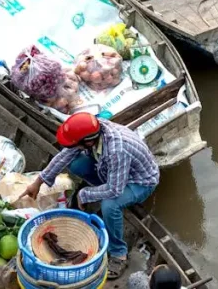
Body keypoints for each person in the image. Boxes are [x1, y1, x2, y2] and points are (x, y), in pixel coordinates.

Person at [21, 113, 160, 280]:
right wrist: (39, 181)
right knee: (76, 163)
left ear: (88, 142)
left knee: (110, 204)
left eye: (78, 144)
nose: (75, 147)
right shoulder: (93, 130)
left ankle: (119, 254)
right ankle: (97, 190)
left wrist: (85, 194)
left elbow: (115, 189)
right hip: (112, 172)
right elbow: (65, 155)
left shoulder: (117, 149)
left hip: (140, 181)